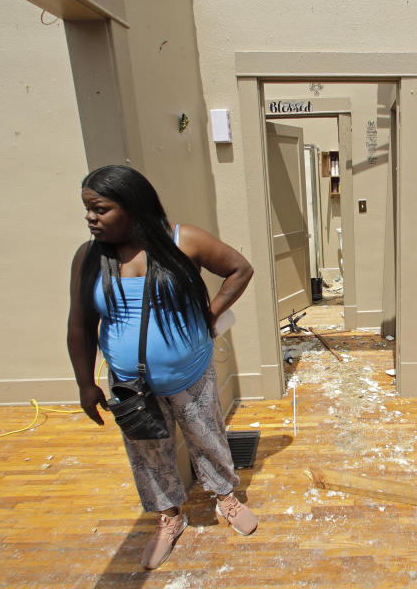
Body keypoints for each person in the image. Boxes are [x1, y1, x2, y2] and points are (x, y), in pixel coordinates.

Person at [67, 164, 257, 570]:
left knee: (207, 436)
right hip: (131, 387)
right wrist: (85, 383)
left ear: (132, 207)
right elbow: (80, 323)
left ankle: (224, 496)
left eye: (99, 209)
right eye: (87, 209)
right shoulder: (88, 258)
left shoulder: (181, 240)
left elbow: (240, 269)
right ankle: (170, 516)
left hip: (190, 373)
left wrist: (211, 313)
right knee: (147, 451)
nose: (90, 218)